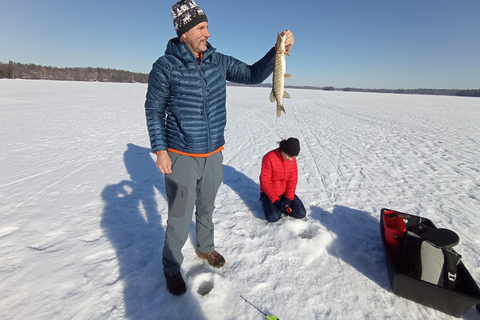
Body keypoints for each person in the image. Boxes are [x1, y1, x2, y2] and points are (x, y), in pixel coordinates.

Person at [144, 0, 295, 295]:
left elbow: (252, 74)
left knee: (208, 207)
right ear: (184, 31)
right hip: (181, 155)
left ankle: (205, 248)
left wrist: (276, 52)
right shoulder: (165, 67)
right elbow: (153, 109)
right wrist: (160, 150)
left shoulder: (218, 61)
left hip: (213, 153)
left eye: (207, 26)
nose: (208, 33)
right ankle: (171, 267)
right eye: (201, 27)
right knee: (179, 214)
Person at [260, 137, 306, 222]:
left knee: (301, 213)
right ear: (283, 150)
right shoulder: (269, 158)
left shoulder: (292, 159)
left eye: (293, 157)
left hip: (285, 192)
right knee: (273, 217)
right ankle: (268, 203)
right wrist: (276, 201)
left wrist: (288, 198)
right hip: (270, 193)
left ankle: (282, 207)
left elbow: (293, 179)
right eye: (289, 156)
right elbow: (265, 181)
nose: (291, 159)